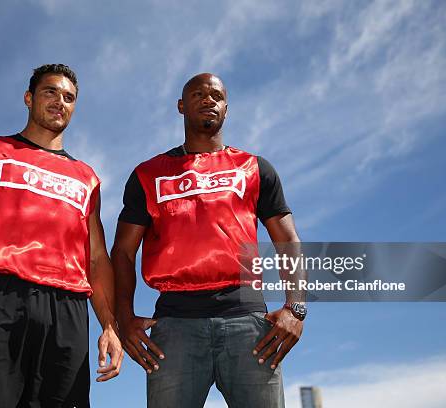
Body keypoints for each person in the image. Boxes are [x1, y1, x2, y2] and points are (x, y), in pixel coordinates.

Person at [111, 73, 305, 408]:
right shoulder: (148, 173)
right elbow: (123, 252)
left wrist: (296, 309)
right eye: (198, 94)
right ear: (181, 106)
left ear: (226, 109)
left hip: (248, 323)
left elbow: (287, 238)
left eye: (216, 95)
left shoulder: (255, 168)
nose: (208, 99)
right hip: (174, 326)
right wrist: (123, 317)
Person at [0, 64, 123, 408]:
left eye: (69, 97)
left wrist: (109, 326)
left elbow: (97, 259)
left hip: (67, 311)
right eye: (50, 92)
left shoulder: (87, 178)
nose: (59, 102)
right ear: (29, 98)